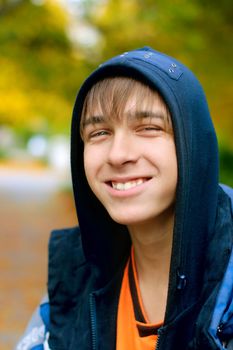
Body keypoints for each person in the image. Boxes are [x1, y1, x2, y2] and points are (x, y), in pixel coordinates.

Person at [16, 47, 233, 350]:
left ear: (194, 143)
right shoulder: (78, 273)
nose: (118, 154)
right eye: (100, 132)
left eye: (148, 128)